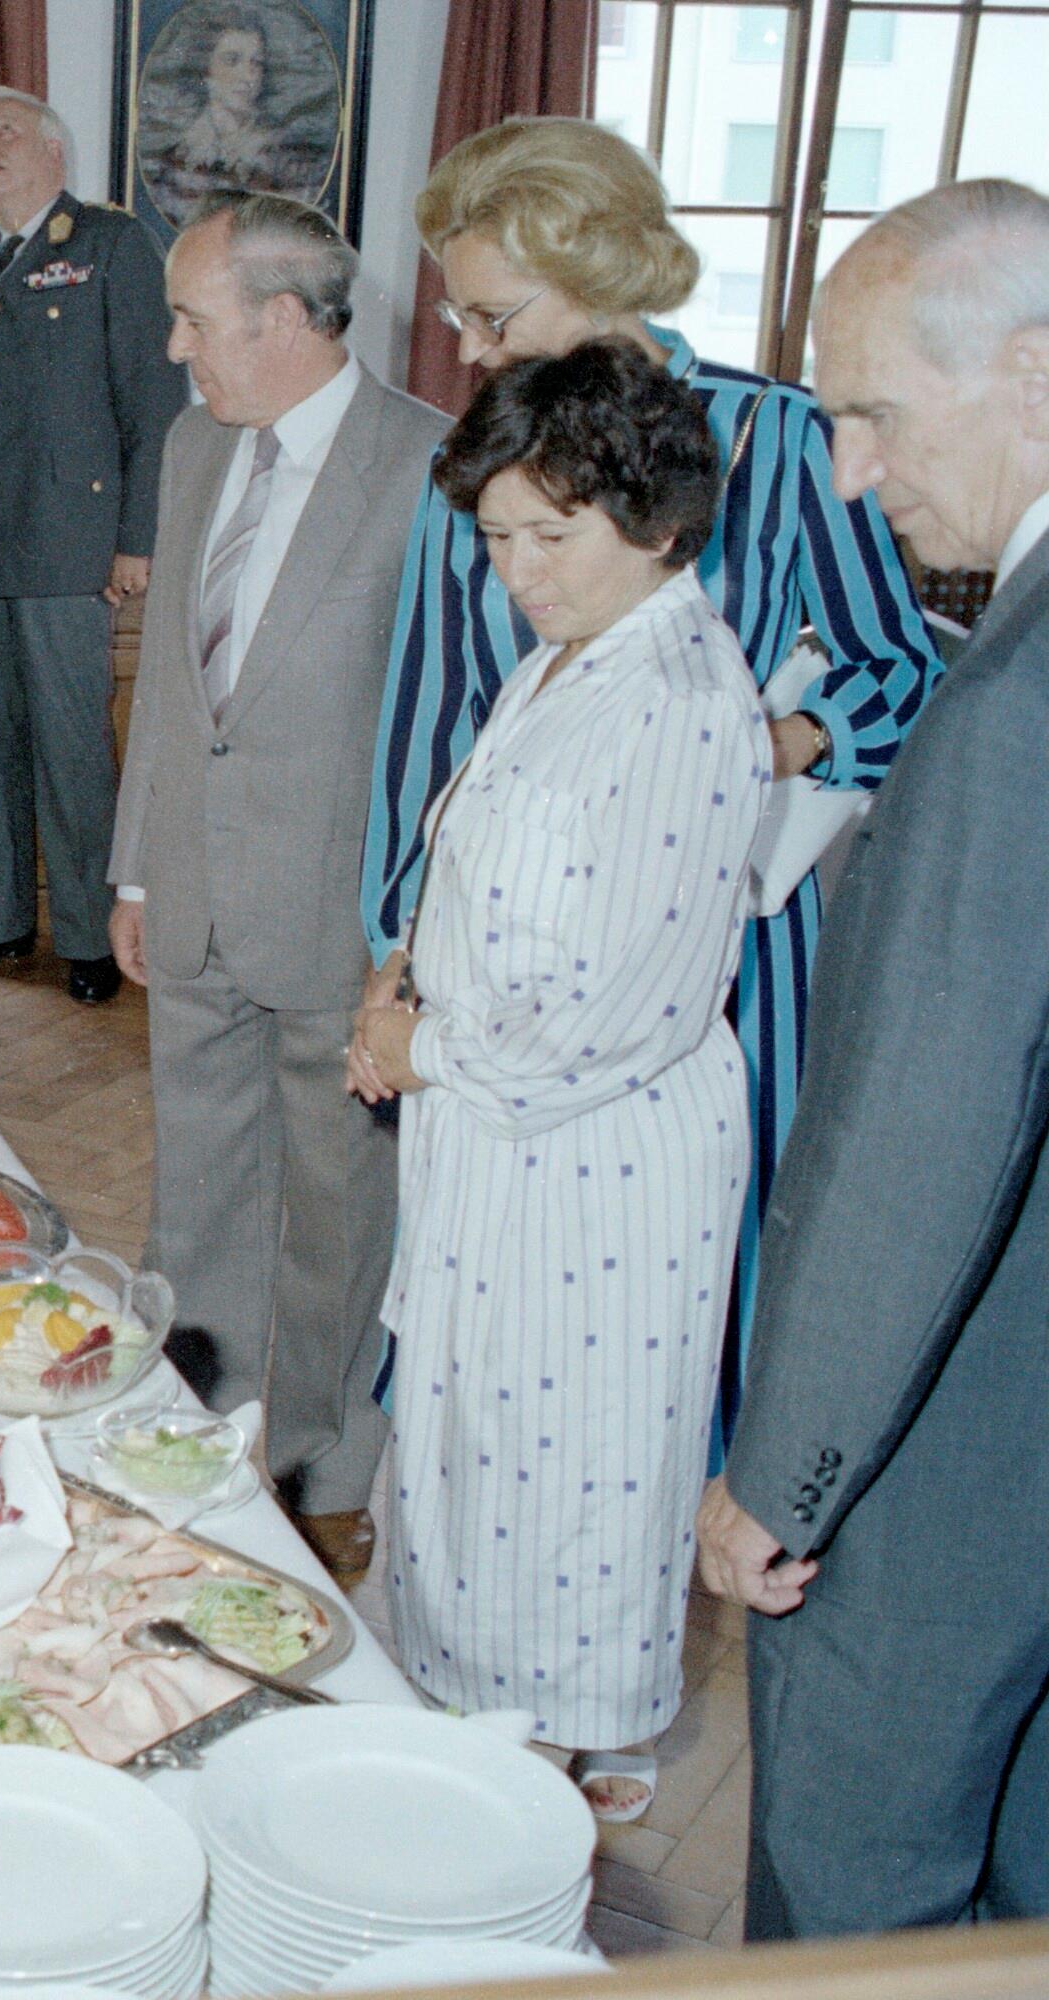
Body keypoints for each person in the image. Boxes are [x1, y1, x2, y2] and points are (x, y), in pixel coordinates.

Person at [361, 118, 943, 1448]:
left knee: (683, 1308)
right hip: (492, 959)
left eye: (494, 309)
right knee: (491, 1313)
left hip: (724, 960)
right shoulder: (476, 463)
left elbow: (896, 677)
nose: (467, 340)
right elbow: (426, 723)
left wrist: (769, 745)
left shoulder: (782, 443)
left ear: (606, 278)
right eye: (458, 306)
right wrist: (393, 949)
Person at [347, 339, 769, 1821]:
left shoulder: (674, 697)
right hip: (503, 1140)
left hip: (594, 1164)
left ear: (656, 522)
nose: (517, 568)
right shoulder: (580, 653)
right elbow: (489, 868)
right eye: (495, 536)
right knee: (477, 1464)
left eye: (550, 535)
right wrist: (399, 978)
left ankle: (535, 1789)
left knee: (563, 1489)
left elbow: (613, 1018)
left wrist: (423, 1047)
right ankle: (483, 1746)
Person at [695, 179, 1049, 1938]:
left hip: (954, 1465)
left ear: (1034, 373)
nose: (845, 472)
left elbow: (926, 1128)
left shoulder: (1015, 698)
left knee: (853, 1905)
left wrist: (783, 1471)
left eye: (874, 413)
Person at [106, 193, 448, 1585]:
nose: (178, 348)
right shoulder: (197, 446)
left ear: (289, 318)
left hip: (335, 922)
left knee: (338, 1220)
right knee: (197, 1199)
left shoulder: (431, 467)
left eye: (196, 319)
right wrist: (135, 866)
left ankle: (318, 1463)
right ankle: (193, 1439)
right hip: (187, 895)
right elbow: (176, 699)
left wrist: (412, 946)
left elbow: (447, 728)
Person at [0, 87, 187, 999]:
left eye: (4, 134)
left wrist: (137, 537)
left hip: (71, 543)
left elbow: (153, 404)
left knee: (71, 743)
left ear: (55, 155)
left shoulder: (110, 244)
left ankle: (87, 936)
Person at [149, 4, 323, 222]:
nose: (248, 77)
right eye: (232, 60)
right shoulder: (177, 161)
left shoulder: (287, 158)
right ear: (205, 68)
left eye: (256, 63)